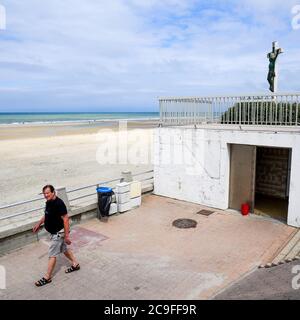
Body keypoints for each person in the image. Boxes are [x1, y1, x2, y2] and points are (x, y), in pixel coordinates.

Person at [33, 185, 80, 287]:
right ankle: (75, 264)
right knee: (64, 249)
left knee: (52, 254)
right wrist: (38, 223)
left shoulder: (59, 203)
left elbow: (66, 219)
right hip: (55, 232)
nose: (45, 195)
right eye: (44, 194)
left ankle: (47, 277)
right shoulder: (49, 202)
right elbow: (46, 214)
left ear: (53, 192)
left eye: (47, 193)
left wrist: (67, 236)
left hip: (58, 233)